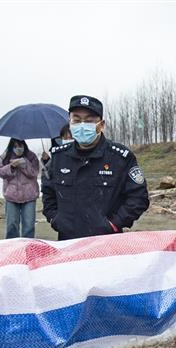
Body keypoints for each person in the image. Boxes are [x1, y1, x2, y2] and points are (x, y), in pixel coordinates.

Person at [41, 96, 149, 240]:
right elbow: (48, 194)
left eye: (89, 121)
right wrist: (55, 219)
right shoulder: (59, 158)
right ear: (70, 123)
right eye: (77, 120)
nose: (82, 125)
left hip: (107, 243)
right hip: (68, 241)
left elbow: (138, 198)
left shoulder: (120, 157)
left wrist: (115, 224)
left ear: (101, 124)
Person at [0, 138, 41, 239]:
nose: (18, 148)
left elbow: (34, 173)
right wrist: (11, 166)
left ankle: (28, 247)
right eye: (15, 146)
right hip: (11, 195)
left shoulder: (31, 156)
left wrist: (24, 164)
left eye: (20, 146)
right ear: (11, 147)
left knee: (29, 225)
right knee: (11, 225)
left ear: (24, 146)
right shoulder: (5, 156)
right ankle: (12, 247)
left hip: (29, 195)